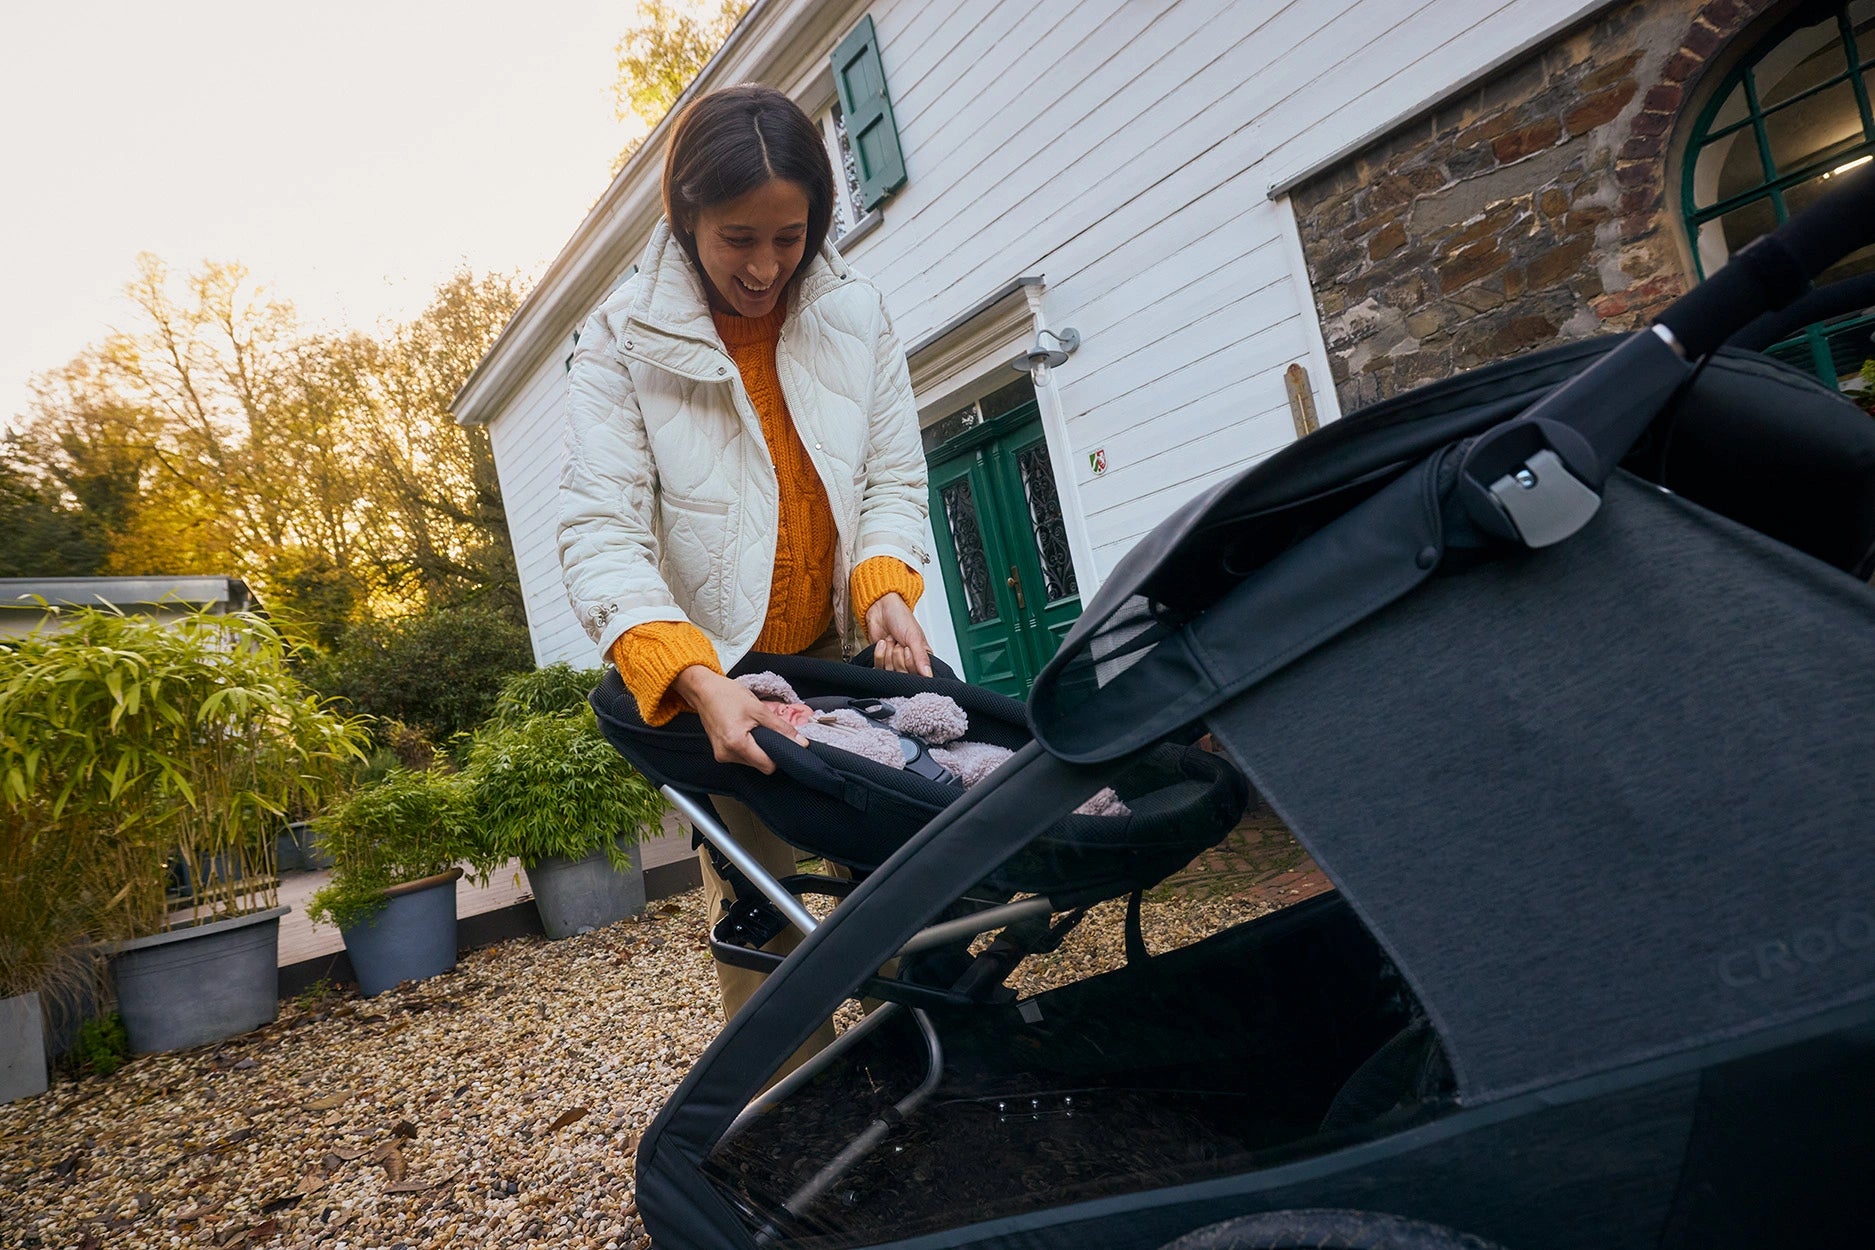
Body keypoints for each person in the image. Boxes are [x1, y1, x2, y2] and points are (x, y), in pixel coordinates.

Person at [558, 84, 932, 1071]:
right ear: (685, 217)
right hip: (726, 678)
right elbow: (599, 529)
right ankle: (798, 1108)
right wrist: (691, 675)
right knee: (764, 915)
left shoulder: (856, 314)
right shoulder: (619, 345)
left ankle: (926, 1070)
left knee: (905, 879)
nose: (766, 265)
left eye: (789, 235)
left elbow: (891, 473)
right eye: (738, 238)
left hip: (850, 662)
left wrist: (884, 583)